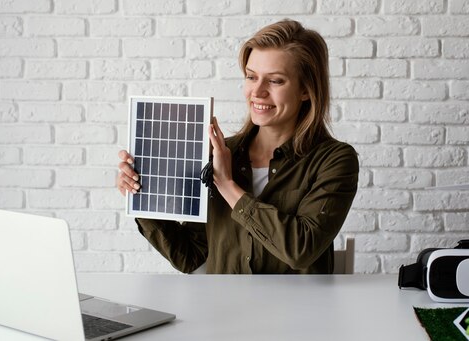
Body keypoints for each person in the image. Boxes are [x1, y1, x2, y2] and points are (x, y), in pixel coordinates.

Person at [117, 19, 359, 274]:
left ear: (306, 91)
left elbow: (300, 250)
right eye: (251, 77)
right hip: (225, 311)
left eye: (275, 81)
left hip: (300, 312)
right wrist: (141, 195)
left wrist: (226, 184)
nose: (258, 91)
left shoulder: (335, 160)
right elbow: (190, 256)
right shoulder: (217, 152)